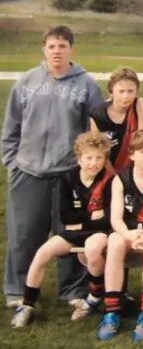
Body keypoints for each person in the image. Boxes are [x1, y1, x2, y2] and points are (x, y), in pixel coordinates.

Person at [2, 25, 105, 307]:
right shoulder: (27, 82)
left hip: (68, 174)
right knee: (24, 233)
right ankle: (17, 290)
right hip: (28, 172)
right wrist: (13, 162)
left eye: (62, 46)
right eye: (51, 46)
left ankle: (72, 290)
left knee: (71, 233)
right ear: (44, 49)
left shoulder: (86, 85)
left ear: (71, 49)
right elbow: (11, 126)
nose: (56, 51)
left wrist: (84, 170)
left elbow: (94, 132)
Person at [11, 132, 113, 327]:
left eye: (99, 158)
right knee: (42, 253)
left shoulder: (109, 180)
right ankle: (26, 305)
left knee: (93, 248)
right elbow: (65, 216)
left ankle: (94, 296)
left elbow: (106, 220)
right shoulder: (68, 178)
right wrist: (91, 217)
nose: (94, 163)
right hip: (73, 233)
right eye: (89, 158)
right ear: (79, 158)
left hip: (98, 234)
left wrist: (84, 221)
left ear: (104, 159)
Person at [97, 130, 143, 342]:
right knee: (115, 242)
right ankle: (111, 311)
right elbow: (116, 218)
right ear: (132, 155)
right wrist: (129, 235)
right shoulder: (120, 179)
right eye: (142, 152)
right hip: (126, 228)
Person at [90, 67, 143, 172]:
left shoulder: (141, 106)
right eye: (121, 91)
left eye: (130, 91)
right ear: (111, 92)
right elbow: (100, 153)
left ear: (137, 92)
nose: (126, 96)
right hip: (109, 172)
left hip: (137, 170)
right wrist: (114, 179)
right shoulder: (97, 116)